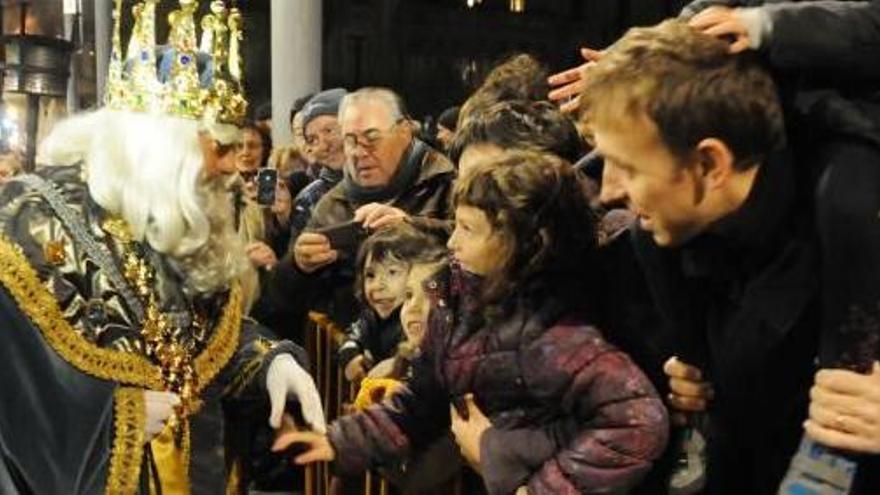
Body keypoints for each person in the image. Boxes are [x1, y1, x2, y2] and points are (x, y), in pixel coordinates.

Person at [0, 3, 324, 493]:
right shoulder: (24, 223)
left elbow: (201, 335)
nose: (233, 169)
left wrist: (270, 362)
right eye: (219, 148)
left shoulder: (171, 215)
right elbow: (17, 395)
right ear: (161, 149)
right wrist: (111, 420)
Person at [272, 150, 668, 495]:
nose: (451, 242)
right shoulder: (457, 299)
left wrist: (542, 488)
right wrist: (341, 443)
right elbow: (420, 401)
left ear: (526, 241)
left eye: (468, 229)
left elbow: (636, 422)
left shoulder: (560, 333)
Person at [267, 87, 455, 339]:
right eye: (350, 140)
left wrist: (413, 228)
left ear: (405, 132)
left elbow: (485, 257)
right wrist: (297, 266)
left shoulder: (449, 184)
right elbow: (282, 302)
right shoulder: (331, 204)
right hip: (354, 358)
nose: (357, 152)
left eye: (372, 138)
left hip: (438, 348)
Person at [337, 224, 441, 384]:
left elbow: (432, 353)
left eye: (392, 272)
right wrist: (350, 356)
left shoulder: (417, 318)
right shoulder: (369, 317)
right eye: (370, 275)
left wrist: (400, 363)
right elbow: (352, 335)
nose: (378, 285)